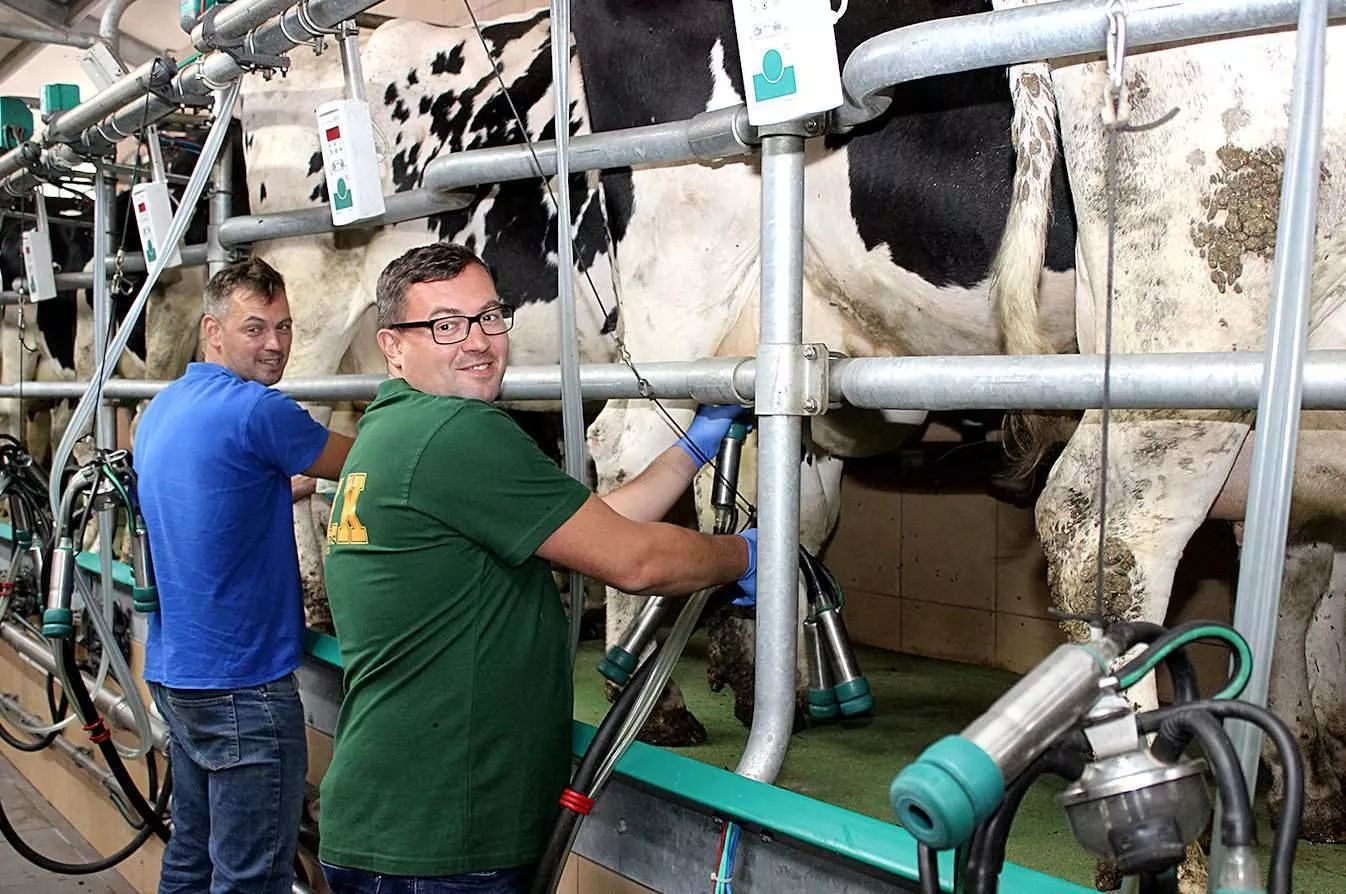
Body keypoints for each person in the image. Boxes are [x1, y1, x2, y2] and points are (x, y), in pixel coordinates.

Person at [319, 242, 756, 894]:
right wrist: (750, 554)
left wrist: (691, 448)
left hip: (398, 821)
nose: (477, 341)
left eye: (490, 317)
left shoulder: (396, 431)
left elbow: (592, 524)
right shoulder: (457, 433)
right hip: (443, 841)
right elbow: (634, 561)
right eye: (445, 325)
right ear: (393, 345)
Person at [133, 257, 354, 893]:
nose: (276, 344)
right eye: (255, 328)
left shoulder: (164, 407)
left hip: (176, 674)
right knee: (252, 878)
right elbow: (371, 458)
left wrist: (276, 488)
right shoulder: (261, 412)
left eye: (284, 327)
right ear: (212, 331)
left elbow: (208, 495)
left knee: (190, 857)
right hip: (245, 688)